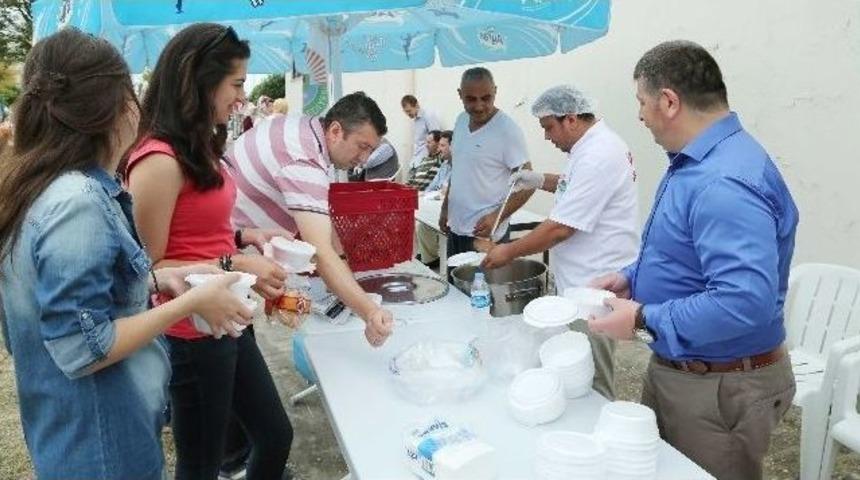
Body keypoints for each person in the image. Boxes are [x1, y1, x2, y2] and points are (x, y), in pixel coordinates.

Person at [0, 28, 252, 479]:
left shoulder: (35, 189)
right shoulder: (76, 202)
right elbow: (82, 347)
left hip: (70, 434)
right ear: (116, 107)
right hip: (102, 444)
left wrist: (162, 279)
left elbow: (58, 312)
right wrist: (193, 301)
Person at [588, 40, 798, 480]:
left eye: (641, 103)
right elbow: (687, 252)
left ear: (668, 101)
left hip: (718, 387)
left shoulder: (724, 181)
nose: (641, 116)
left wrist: (643, 319)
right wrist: (633, 280)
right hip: (688, 370)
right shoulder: (699, 162)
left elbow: (743, 302)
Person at [126, 24, 293, 480]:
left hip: (228, 317)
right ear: (198, 79)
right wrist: (236, 264)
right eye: (236, 84)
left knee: (275, 435)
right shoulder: (158, 160)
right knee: (201, 465)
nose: (242, 97)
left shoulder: (199, 144)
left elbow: (196, 228)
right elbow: (148, 269)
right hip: (191, 334)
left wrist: (242, 238)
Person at [481, 85, 639, 399]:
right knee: (577, 366)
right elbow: (573, 187)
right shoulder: (590, 146)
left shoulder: (597, 155)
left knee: (589, 373)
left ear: (570, 119)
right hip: (583, 279)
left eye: (548, 127)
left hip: (593, 285)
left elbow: (560, 230)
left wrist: (508, 251)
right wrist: (539, 180)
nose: (546, 136)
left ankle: (596, 426)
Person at [229, 91, 396, 348]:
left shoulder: (304, 129)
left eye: (370, 150)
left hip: (232, 247)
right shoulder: (304, 159)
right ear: (336, 131)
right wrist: (370, 313)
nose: (363, 160)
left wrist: (345, 269)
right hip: (222, 257)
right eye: (362, 147)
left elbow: (322, 218)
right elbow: (320, 252)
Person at [441, 67, 535, 256]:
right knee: (454, 286)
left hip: (486, 237)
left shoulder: (507, 130)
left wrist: (497, 217)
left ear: (495, 92)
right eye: (471, 99)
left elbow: (529, 183)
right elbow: (458, 170)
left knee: (482, 286)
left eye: (486, 98)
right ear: (460, 94)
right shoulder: (461, 120)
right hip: (456, 229)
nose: (479, 106)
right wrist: (445, 208)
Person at [416, 130, 453, 267]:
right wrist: (424, 194)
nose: (439, 149)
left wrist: (441, 191)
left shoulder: (461, 166)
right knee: (422, 224)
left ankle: (430, 259)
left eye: (443, 145)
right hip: (436, 204)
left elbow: (447, 191)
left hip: (448, 211)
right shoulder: (444, 165)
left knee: (424, 226)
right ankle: (429, 257)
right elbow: (433, 187)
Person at [401, 94, 442, 172]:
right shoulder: (416, 120)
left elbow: (437, 137)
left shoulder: (428, 115)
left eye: (409, 111)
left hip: (426, 161)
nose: (408, 114)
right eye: (406, 112)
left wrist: (431, 160)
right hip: (416, 161)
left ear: (416, 105)